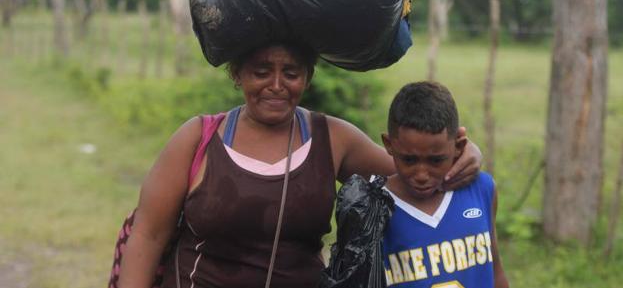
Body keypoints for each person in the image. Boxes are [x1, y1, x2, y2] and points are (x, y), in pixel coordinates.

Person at [118, 42, 483, 288]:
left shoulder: (333, 138)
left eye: (290, 73)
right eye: (261, 71)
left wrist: (467, 153)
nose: (276, 85)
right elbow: (149, 235)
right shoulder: (199, 138)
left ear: (307, 77)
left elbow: (412, 167)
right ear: (237, 74)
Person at [380, 81, 509, 288]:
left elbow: (496, 272)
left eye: (436, 160)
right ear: (389, 145)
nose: (422, 175)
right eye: (409, 160)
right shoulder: (374, 205)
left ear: (459, 147)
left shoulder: (482, 189)